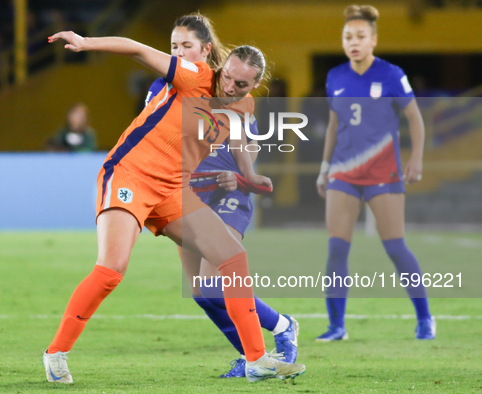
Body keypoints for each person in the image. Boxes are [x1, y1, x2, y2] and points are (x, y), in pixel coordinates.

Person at [43, 22, 306, 384]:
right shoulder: (194, 74)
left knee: (232, 257)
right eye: (228, 77)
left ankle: (257, 360)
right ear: (223, 64)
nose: (230, 86)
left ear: (254, 87)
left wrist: (251, 175)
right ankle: (56, 353)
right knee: (112, 269)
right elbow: (137, 49)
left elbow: (242, 144)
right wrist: (86, 42)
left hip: (172, 189)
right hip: (130, 175)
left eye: (241, 84)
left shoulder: (242, 107)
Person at [144, 13, 299, 379]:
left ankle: (281, 327)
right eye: (174, 47)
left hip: (226, 196)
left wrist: (239, 179)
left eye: (188, 46)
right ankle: (251, 356)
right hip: (187, 195)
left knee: (216, 283)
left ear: (205, 49)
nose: (180, 52)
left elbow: (250, 166)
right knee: (202, 293)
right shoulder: (162, 88)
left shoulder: (235, 100)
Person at [316, 5, 434, 342]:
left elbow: (415, 118)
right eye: (348, 37)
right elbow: (335, 125)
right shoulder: (335, 76)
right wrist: (325, 168)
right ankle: (336, 326)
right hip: (343, 173)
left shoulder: (392, 74)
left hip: (384, 172)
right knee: (337, 248)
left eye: (360, 37)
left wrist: (417, 159)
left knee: (395, 247)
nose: (353, 42)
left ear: (373, 40)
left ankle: (425, 318)